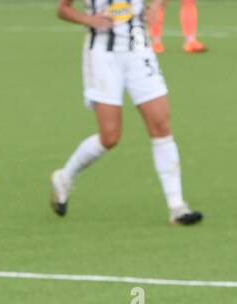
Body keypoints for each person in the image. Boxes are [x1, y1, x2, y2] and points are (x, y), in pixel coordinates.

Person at [49, 0, 202, 225]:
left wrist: (155, 6)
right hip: (102, 56)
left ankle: (177, 207)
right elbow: (63, 9)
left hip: (140, 50)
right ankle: (65, 177)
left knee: (161, 125)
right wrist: (89, 19)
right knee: (110, 137)